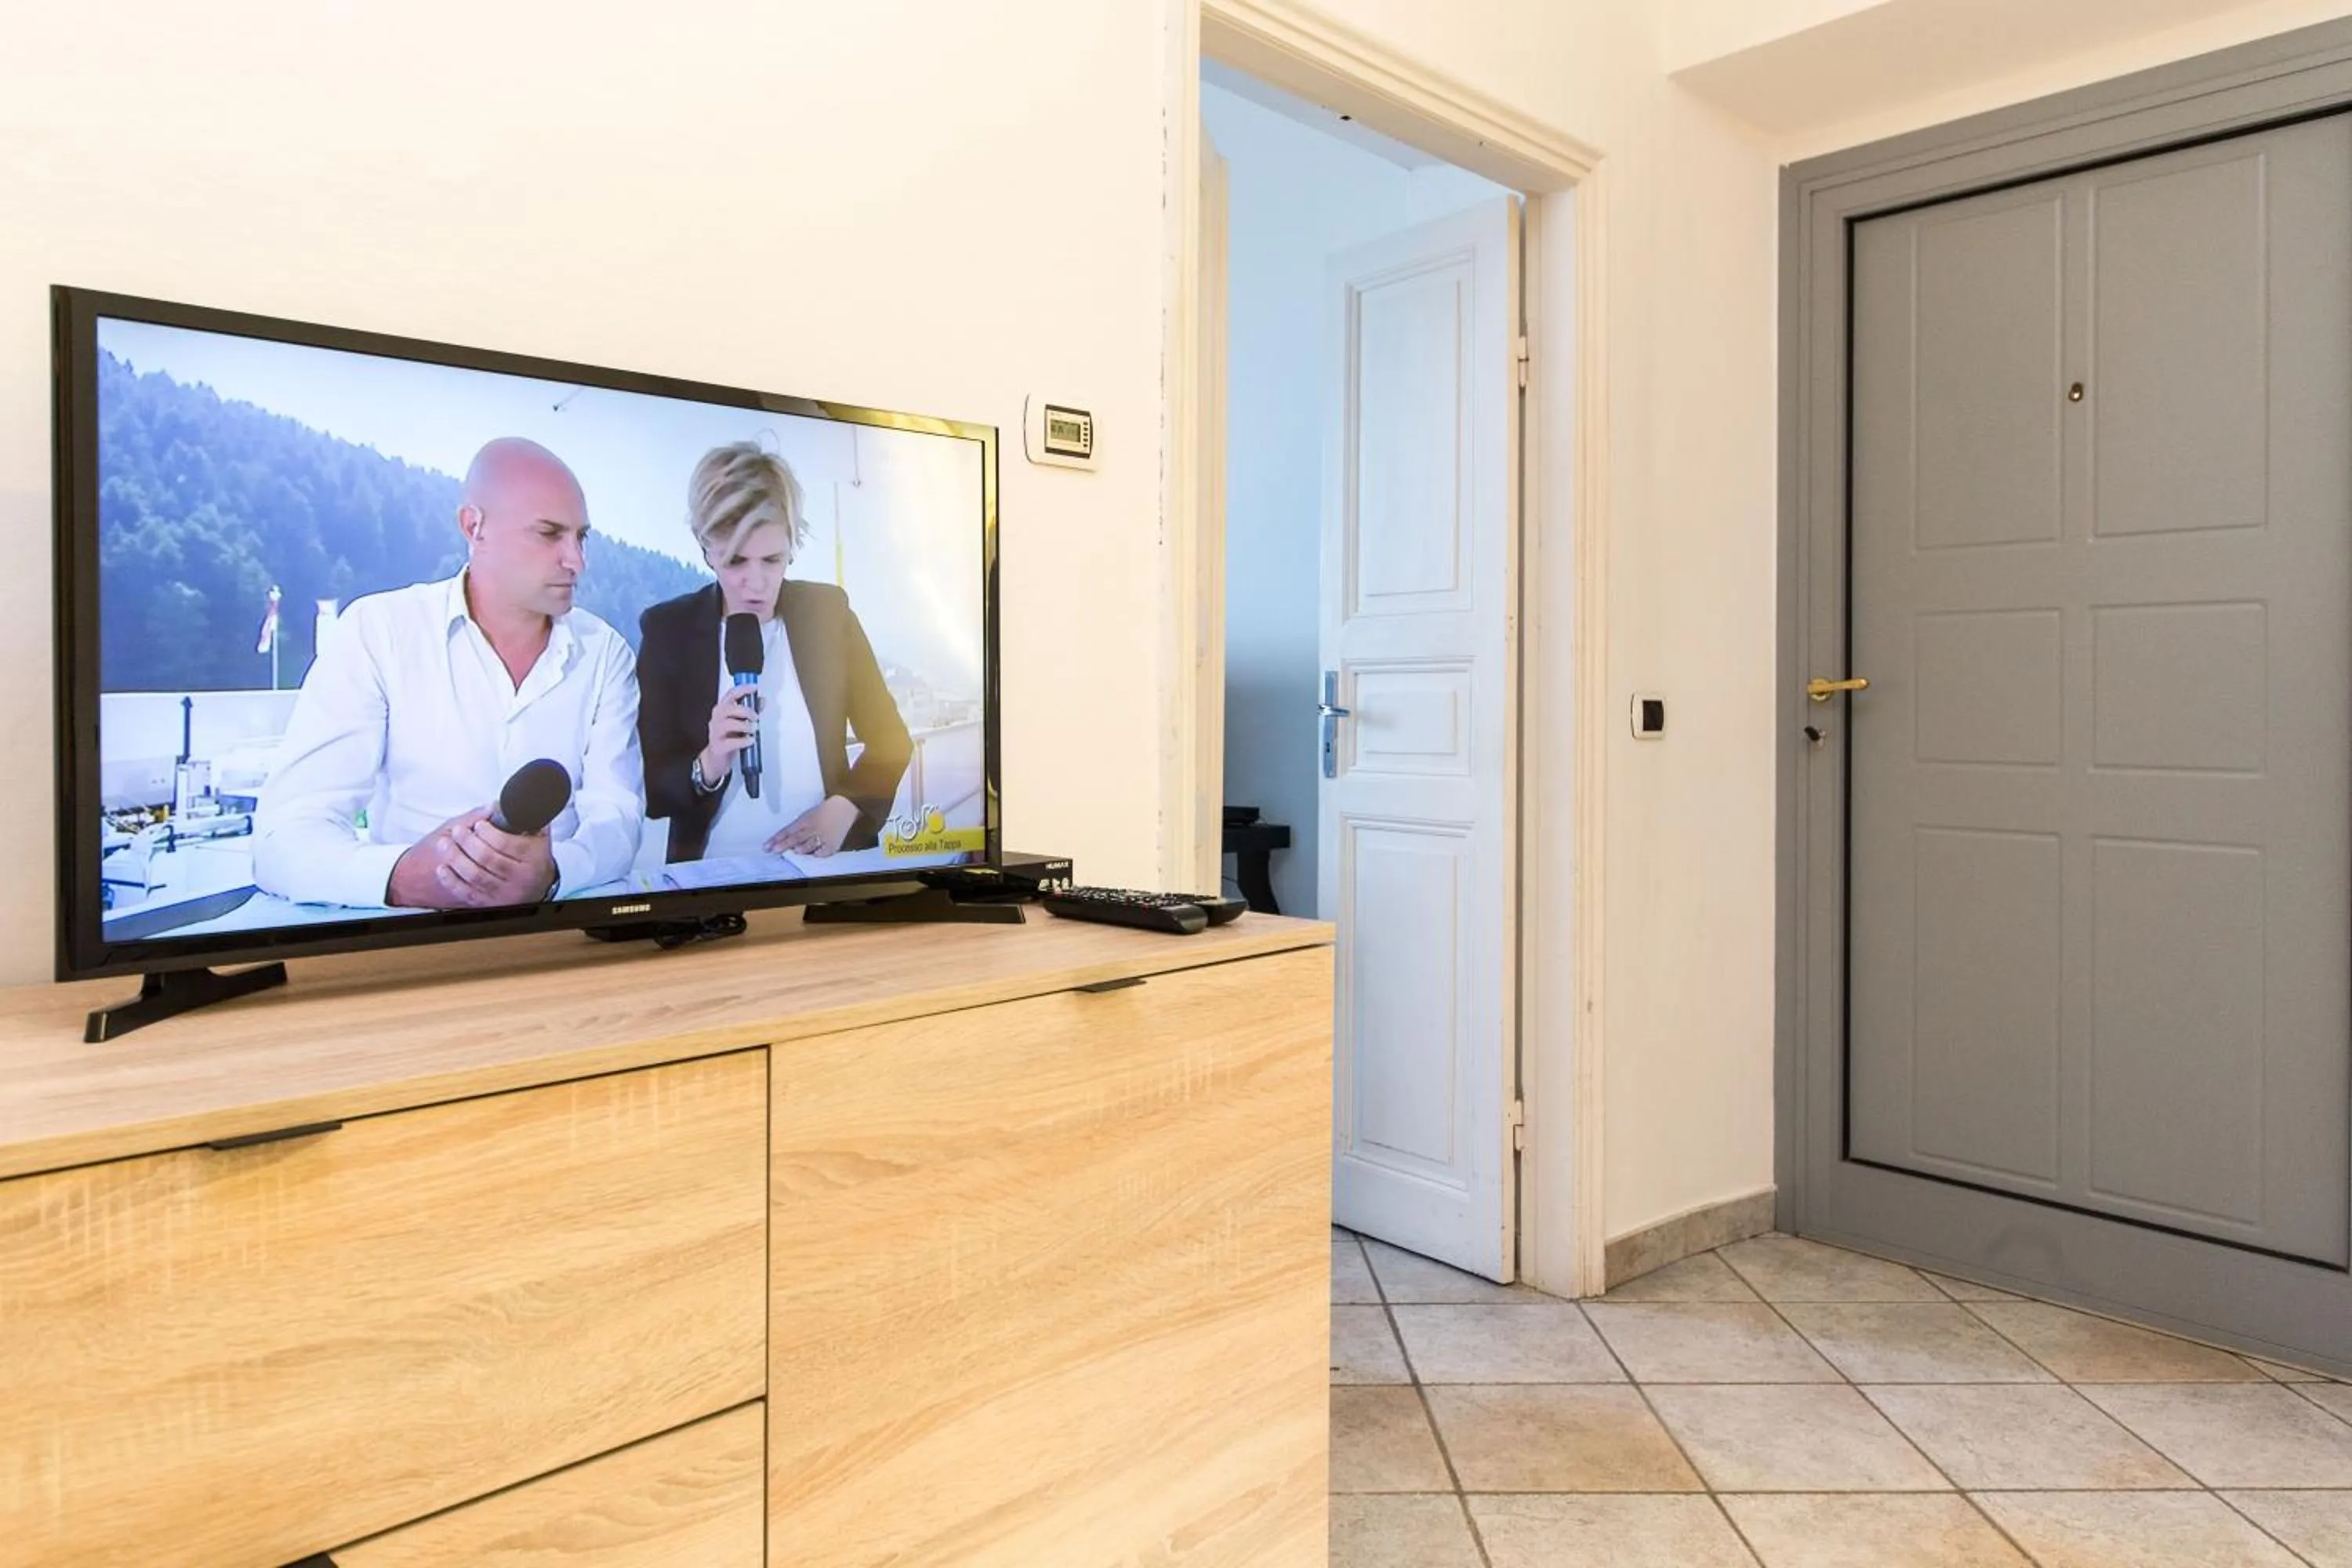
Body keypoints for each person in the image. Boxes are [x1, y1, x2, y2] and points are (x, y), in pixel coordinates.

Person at [252, 437, 643, 909]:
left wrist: (553, 874)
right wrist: (399, 877)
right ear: (474, 526)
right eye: (549, 534)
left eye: (581, 537)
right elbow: (284, 837)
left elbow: (618, 818)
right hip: (407, 948)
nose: (576, 561)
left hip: (559, 941)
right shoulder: (379, 632)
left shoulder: (605, 655)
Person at [637, 440, 910, 864]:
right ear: (705, 547)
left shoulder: (829, 614)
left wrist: (844, 809)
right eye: (735, 561)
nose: (757, 582)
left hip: (828, 871)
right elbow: (653, 787)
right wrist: (709, 761)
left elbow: (891, 741)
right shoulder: (667, 630)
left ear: (792, 544)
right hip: (708, 882)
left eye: (773, 559)